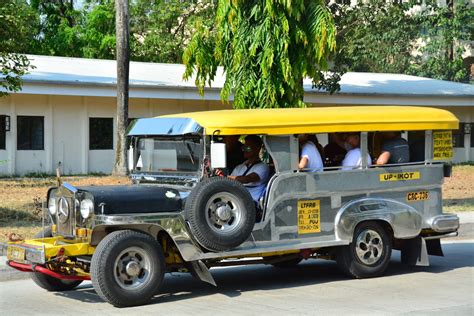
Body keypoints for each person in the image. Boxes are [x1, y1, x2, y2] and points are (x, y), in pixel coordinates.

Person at [229, 135, 270, 202]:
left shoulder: (263, 167)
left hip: (251, 203)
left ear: (257, 148)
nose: (244, 150)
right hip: (237, 200)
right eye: (243, 147)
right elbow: (229, 181)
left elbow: (247, 179)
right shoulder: (240, 166)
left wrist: (224, 178)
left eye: (247, 147)